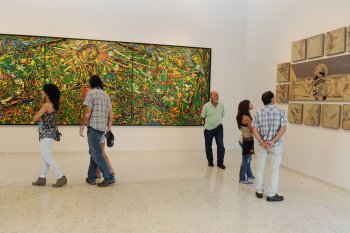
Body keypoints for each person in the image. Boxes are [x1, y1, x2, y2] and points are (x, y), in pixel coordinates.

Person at [79, 75, 115, 187]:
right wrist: (109, 126)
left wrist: (82, 126)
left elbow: (87, 113)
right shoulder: (106, 95)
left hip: (93, 128)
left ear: (91, 84)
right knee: (94, 152)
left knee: (96, 153)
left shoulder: (91, 93)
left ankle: (109, 177)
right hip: (102, 128)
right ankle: (91, 177)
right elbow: (111, 114)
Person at [252, 91, 287, 202]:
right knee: (274, 169)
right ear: (272, 99)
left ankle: (259, 191)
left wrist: (262, 141)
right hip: (275, 145)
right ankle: (271, 194)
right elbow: (283, 128)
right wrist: (273, 141)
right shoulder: (280, 111)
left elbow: (254, 129)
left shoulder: (258, 112)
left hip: (263, 145)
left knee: (260, 168)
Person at [32, 84, 67, 187]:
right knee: (44, 156)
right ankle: (42, 178)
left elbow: (35, 118)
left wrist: (40, 118)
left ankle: (61, 176)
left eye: (43, 91)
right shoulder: (54, 105)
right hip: (50, 134)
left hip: (46, 134)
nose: (41, 92)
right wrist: (42, 118)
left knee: (47, 156)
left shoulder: (46, 105)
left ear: (47, 93)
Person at [201, 90, 225, 169]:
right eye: (215, 95)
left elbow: (222, 115)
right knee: (208, 146)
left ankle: (220, 163)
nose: (217, 97)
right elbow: (202, 117)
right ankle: (210, 161)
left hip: (219, 128)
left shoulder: (221, 105)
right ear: (211, 97)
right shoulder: (206, 106)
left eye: (218, 95)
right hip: (208, 129)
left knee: (220, 145)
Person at [236, 100, 255, 185]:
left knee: (249, 158)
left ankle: (250, 175)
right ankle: (242, 178)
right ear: (246, 106)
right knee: (246, 159)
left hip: (248, 139)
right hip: (246, 140)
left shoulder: (245, 116)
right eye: (249, 102)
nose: (251, 104)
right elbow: (252, 129)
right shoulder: (246, 118)